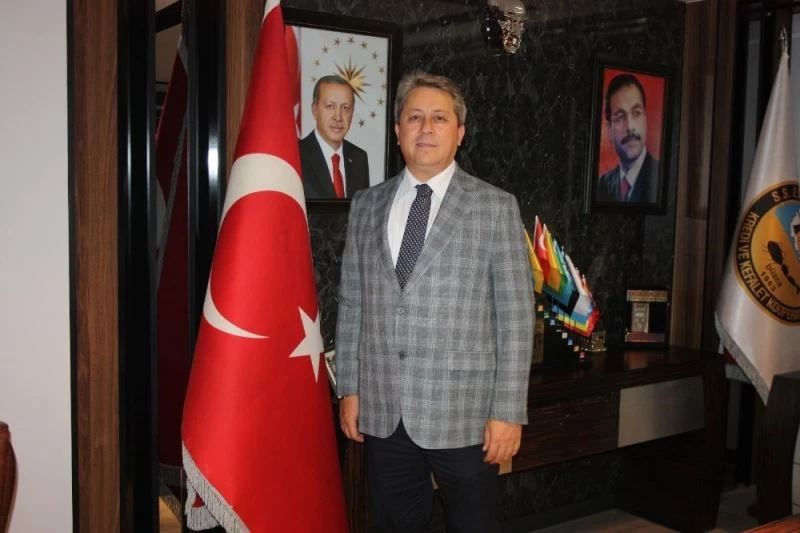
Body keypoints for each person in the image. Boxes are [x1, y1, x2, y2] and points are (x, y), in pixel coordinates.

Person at [335, 70, 535, 533]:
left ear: (459, 133)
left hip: (465, 414)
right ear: (397, 130)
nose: (426, 128)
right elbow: (351, 303)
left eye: (439, 118)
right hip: (384, 411)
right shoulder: (366, 205)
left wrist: (508, 412)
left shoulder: (494, 207)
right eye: (414, 117)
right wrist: (350, 389)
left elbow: (515, 318)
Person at [299, 75, 369, 199]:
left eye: (345, 108)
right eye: (330, 106)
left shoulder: (359, 158)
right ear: (315, 110)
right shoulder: (297, 156)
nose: (338, 117)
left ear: (352, 113)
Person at [596, 73, 660, 203]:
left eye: (636, 113)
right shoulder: (602, 185)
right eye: (620, 117)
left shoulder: (660, 177)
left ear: (645, 119)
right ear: (609, 129)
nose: (630, 127)